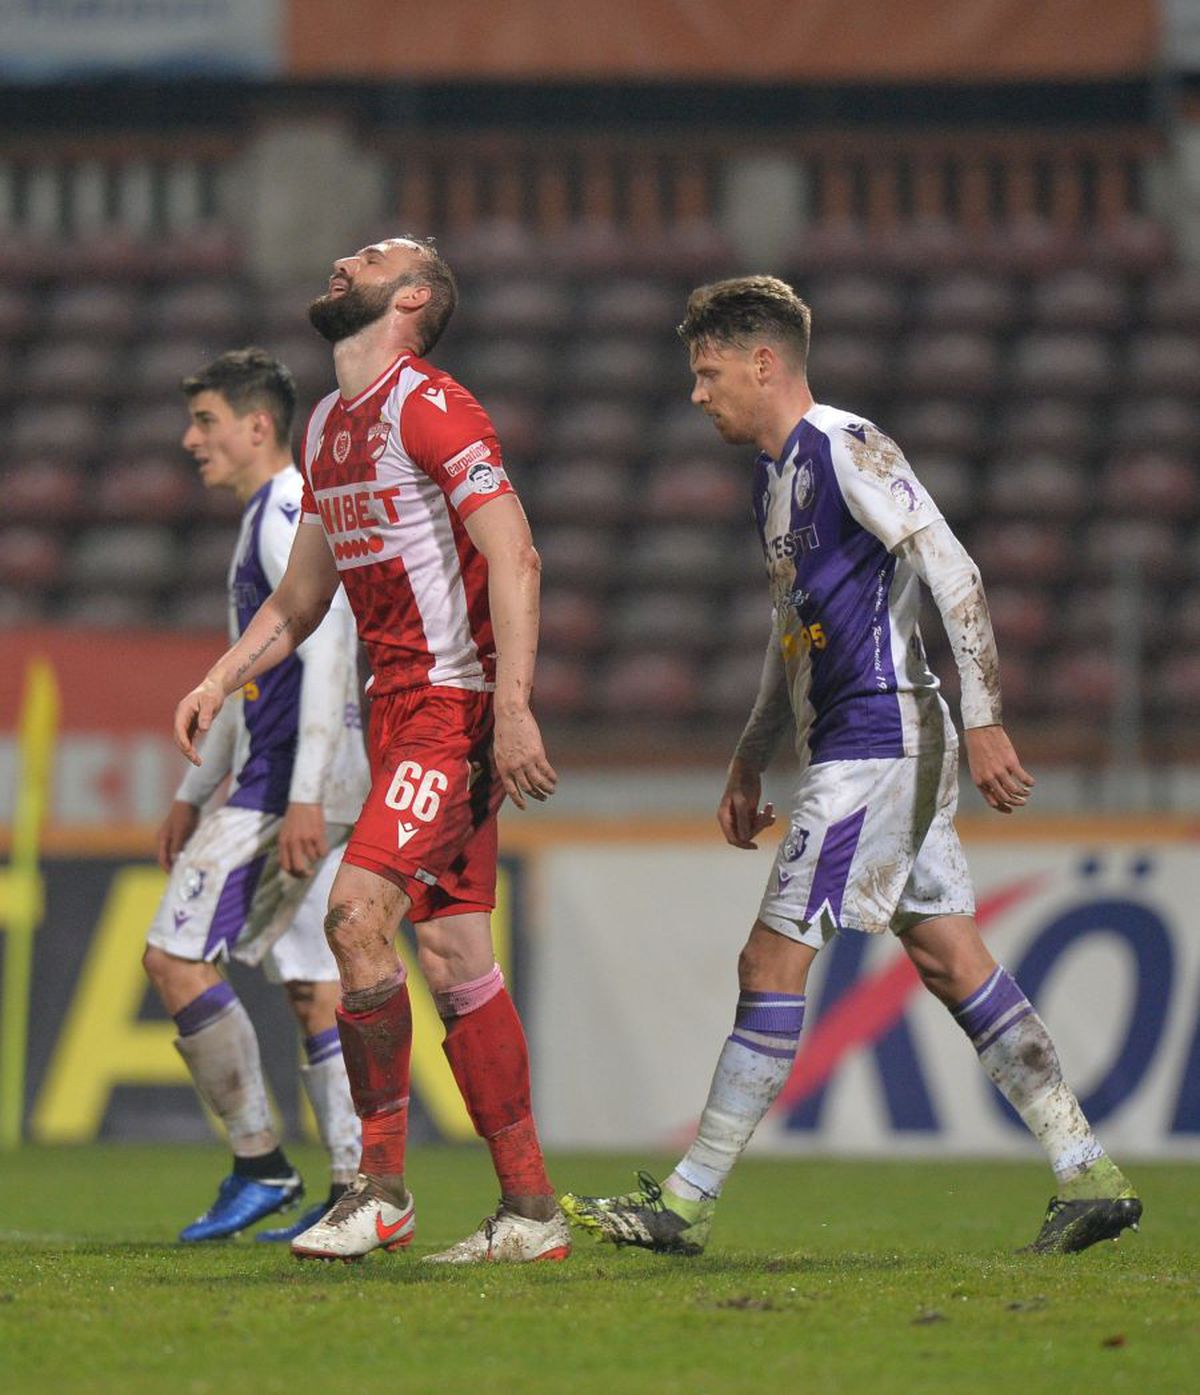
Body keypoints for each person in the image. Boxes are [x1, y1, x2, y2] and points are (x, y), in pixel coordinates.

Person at [561, 276, 1142, 1258]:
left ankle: (688, 1201)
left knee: (768, 961)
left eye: (707, 374)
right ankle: (1090, 1175)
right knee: (949, 954)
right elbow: (795, 626)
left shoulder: (844, 442)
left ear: (763, 363)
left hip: (880, 738)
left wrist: (989, 717)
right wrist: (752, 755)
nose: (697, 395)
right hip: (853, 741)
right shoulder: (773, 477)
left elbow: (953, 567)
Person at [171, 237, 569, 1265]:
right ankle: (530, 1211)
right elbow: (302, 603)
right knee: (452, 957)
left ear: (415, 297)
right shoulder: (330, 424)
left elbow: (514, 550)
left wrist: (513, 707)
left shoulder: (429, 404)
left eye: (373, 256)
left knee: (355, 918)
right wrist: (220, 679)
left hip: (452, 706)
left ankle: (377, 1187)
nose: (345, 258)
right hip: (395, 712)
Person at [144, 348, 368, 1243]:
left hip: (288, 783)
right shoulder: (274, 515)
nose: (190, 439)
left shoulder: (283, 512)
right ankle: (354, 1184)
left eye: (204, 420)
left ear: (257, 425)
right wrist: (193, 790)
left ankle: (259, 1161)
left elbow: (326, 643)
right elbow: (253, 679)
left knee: (174, 955)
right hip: (300, 775)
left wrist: (306, 793)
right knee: (314, 983)